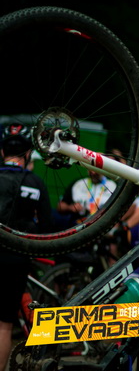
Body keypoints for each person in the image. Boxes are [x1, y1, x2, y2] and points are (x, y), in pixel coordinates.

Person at [0, 123, 53, 370]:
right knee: (4, 325)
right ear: (29, 153)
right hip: (16, 259)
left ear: (2, 152)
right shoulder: (35, 182)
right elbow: (47, 226)